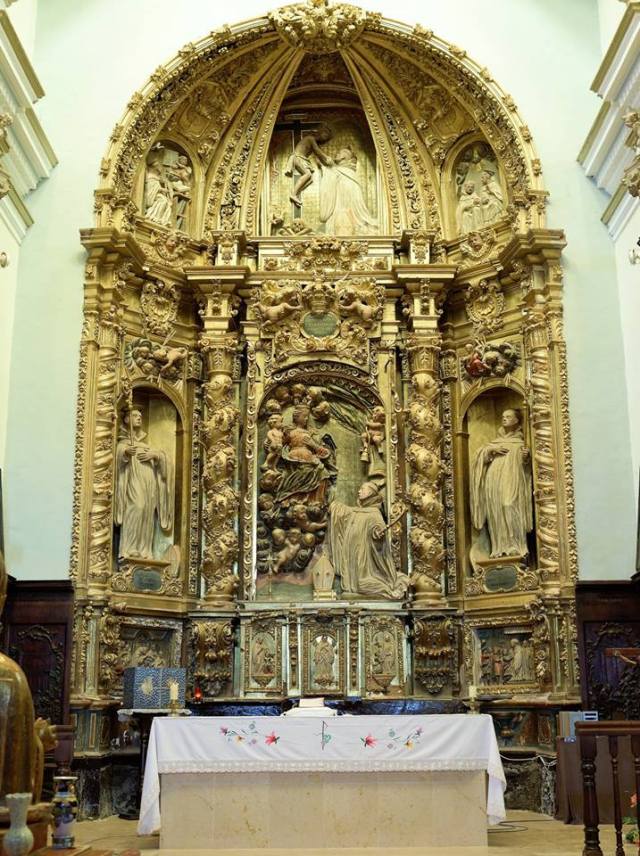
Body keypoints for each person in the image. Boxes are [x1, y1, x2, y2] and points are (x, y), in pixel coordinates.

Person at [325, 481, 408, 599]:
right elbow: (345, 512)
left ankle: (387, 588)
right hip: (352, 553)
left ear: (370, 492)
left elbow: (378, 528)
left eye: (362, 489)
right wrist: (333, 506)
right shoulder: (358, 511)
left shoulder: (374, 512)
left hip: (364, 555)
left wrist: (377, 534)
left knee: (362, 583)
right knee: (353, 582)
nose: (359, 491)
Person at [470, 408, 533, 558]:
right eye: (503, 416)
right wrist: (491, 450)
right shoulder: (495, 442)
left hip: (513, 479)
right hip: (494, 481)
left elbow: (530, 467)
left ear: (517, 420)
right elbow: (479, 457)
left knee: (509, 505)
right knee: (496, 510)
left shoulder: (522, 441)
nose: (504, 418)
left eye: (508, 416)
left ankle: (516, 546)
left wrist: (526, 457)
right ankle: (499, 547)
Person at [115, 409, 173, 559]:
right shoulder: (123, 442)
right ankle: (128, 548)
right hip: (133, 480)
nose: (139, 418)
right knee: (137, 507)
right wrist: (126, 452)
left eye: (141, 416)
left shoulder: (145, 444)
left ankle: (144, 549)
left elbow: (164, 459)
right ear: (127, 419)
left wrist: (155, 455)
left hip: (149, 483)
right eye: (135, 415)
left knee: (147, 512)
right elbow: (117, 458)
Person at [319, 146, 378, 235]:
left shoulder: (342, 172)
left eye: (340, 152)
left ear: (344, 157)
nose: (337, 153)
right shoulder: (341, 172)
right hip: (339, 210)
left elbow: (356, 199)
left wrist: (327, 169)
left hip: (345, 212)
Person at [285, 126, 334, 207]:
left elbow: (317, 155)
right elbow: (317, 151)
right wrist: (326, 157)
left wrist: (323, 163)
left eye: (326, 138)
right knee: (307, 174)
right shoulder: (310, 138)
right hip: (297, 157)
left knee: (310, 179)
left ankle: (296, 193)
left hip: (302, 158)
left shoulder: (313, 141)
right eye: (325, 135)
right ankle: (293, 193)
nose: (324, 139)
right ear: (320, 132)